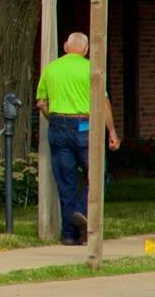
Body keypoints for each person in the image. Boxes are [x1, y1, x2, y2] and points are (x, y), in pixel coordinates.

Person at [36, 32, 121, 246]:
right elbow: (103, 103)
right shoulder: (91, 68)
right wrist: (112, 131)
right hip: (85, 126)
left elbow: (42, 103)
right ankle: (82, 210)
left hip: (57, 125)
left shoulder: (51, 68)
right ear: (85, 49)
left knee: (66, 183)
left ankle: (69, 234)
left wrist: (53, 119)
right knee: (98, 175)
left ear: (66, 46)